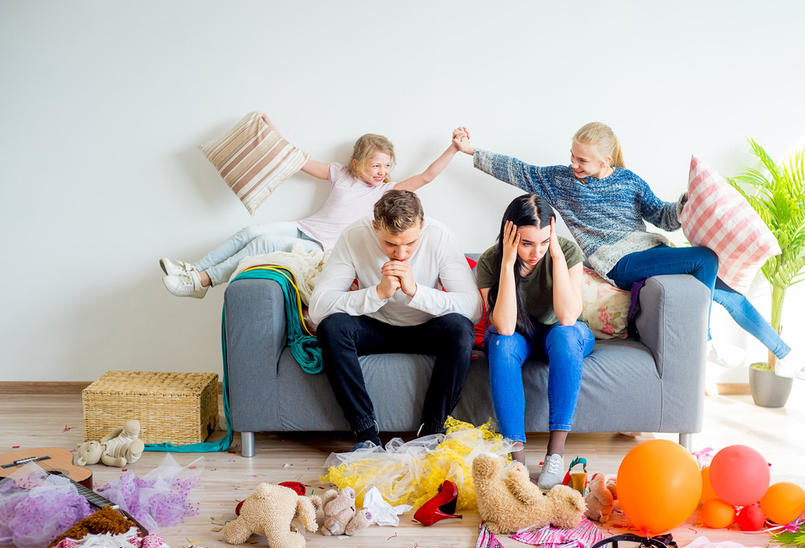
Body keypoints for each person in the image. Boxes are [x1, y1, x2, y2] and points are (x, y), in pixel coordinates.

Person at [453, 123, 805, 379]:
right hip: (617, 262)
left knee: (727, 293)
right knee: (705, 258)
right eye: (573, 156)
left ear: (606, 160)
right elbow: (517, 169)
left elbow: (664, 219)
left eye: (583, 160)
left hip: (647, 250)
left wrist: (686, 203)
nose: (574, 164)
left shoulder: (630, 181)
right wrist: (471, 151)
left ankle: (783, 354)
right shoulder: (560, 181)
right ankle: (706, 339)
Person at [160, 116, 462, 298]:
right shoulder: (339, 174)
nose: (382, 171)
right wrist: (270, 131)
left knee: (263, 243)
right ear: (356, 163)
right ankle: (194, 270)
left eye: (386, 165)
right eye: (375, 164)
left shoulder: (386, 192)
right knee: (249, 232)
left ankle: (203, 280)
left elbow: (426, 176)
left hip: (321, 245)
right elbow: (297, 159)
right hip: (305, 227)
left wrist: (453, 148)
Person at [309, 189, 483, 449]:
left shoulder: (440, 236)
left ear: (421, 226)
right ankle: (366, 435)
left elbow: (474, 308)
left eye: (410, 244)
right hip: (375, 327)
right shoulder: (354, 236)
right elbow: (318, 306)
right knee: (332, 327)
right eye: (390, 244)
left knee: (461, 328)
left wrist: (417, 292)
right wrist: (377, 294)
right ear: (375, 227)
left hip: (427, 328)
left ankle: (432, 433)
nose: (401, 254)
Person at [476, 193, 595, 489]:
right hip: (518, 336)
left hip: (561, 334)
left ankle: (555, 454)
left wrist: (555, 256)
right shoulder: (492, 260)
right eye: (526, 243)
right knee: (502, 346)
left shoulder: (564, 251)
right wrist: (506, 262)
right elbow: (503, 327)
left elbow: (568, 317)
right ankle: (516, 461)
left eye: (543, 241)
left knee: (566, 336)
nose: (535, 252)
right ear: (510, 233)